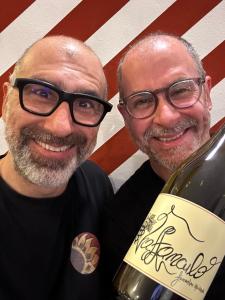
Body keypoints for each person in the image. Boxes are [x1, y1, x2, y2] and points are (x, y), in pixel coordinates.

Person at [103, 32, 224, 298]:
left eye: (180, 90)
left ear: (207, 92)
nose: (166, 118)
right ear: (126, 117)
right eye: (143, 101)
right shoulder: (120, 219)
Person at [0, 35, 114, 300]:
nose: (61, 126)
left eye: (85, 104)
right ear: (7, 100)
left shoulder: (97, 185)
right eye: (42, 93)